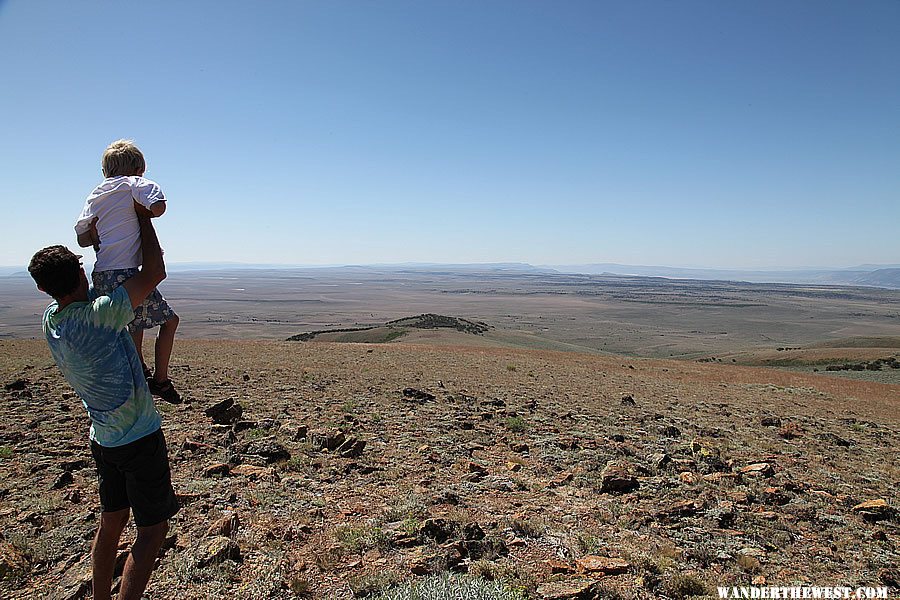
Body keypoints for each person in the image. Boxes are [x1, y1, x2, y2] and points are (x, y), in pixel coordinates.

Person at [29, 205, 179, 600]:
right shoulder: (101, 316)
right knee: (151, 532)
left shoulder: (52, 321)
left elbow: (82, 292)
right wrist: (142, 218)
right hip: (138, 438)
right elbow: (154, 273)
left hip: (104, 440)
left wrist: (99, 250)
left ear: (44, 290)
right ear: (81, 274)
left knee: (111, 521)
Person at [75, 139, 180, 402]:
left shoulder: (95, 194)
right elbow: (159, 207)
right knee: (170, 322)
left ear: (104, 171)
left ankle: (139, 372)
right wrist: (144, 211)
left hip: (101, 275)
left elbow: (83, 239)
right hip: (127, 273)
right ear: (138, 167)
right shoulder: (135, 184)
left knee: (132, 324)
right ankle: (161, 380)